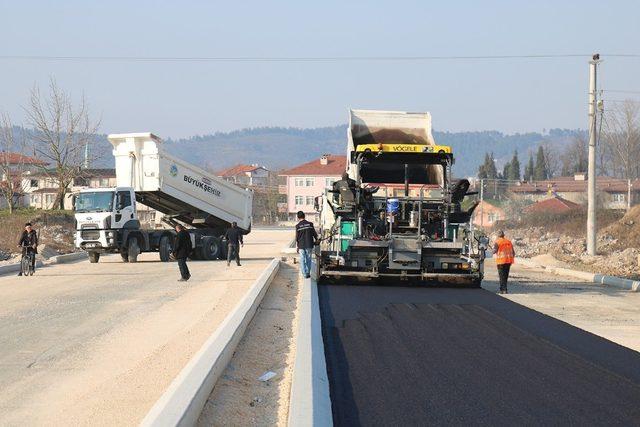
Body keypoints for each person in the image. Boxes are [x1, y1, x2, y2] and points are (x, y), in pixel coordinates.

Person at [295, 211, 318, 279]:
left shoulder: (298, 226)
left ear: (298, 217)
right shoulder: (310, 224)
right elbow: (314, 234)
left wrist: (297, 246)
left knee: (302, 259)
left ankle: (304, 274)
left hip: (301, 246)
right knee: (308, 259)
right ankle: (308, 273)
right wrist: (317, 239)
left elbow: (297, 237)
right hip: (309, 245)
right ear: (304, 216)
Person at [493, 230, 515, 294]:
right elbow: (513, 253)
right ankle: (505, 289)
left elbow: (494, 251)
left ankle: (503, 290)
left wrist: (493, 250)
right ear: (503, 235)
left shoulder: (497, 242)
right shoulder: (509, 242)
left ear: (498, 236)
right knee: (505, 276)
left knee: (501, 276)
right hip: (508, 261)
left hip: (501, 262)